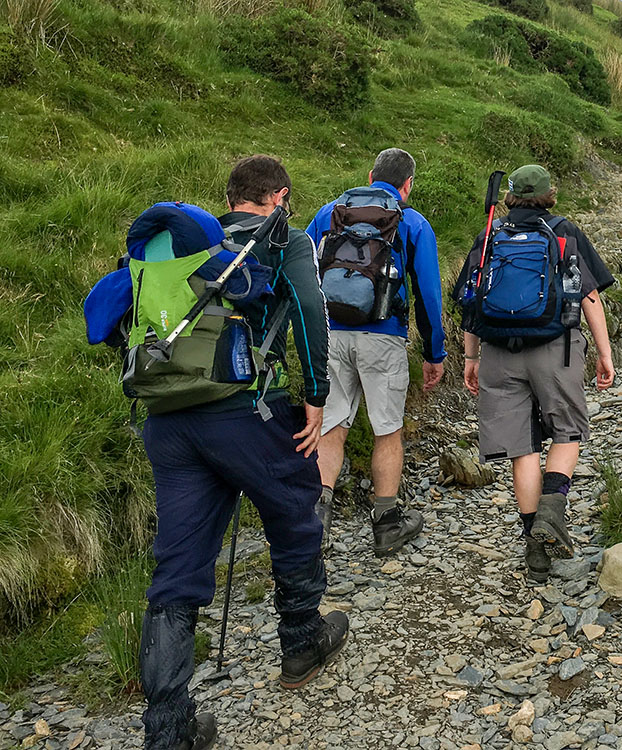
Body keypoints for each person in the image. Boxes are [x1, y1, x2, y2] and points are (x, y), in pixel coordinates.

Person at [139, 156, 348, 750]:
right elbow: (309, 313)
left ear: (230, 197)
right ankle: (302, 641)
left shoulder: (183, 248)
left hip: (168, 421)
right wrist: (314, 394)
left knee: (176, 568)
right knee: (295, 504)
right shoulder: (285, 240)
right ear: (279, 197)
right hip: (245, 412)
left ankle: (169, 727)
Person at [457, 164, 616, 582]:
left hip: (497, 352)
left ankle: (535, 548)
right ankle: (552, 511)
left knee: (522, 449)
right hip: (554, 350)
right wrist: (604, 352)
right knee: (568, 433)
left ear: (509, 196)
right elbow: (590, 296)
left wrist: (471, 358)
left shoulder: (490, 234)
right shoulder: (564, 231)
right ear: (550, 194)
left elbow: (470, 302)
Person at [306, 148, 446, 557]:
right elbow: (429, 296)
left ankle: (316, 523)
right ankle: (386, 525)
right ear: (407, 185)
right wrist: (434, 352)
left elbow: (303, 272)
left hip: (331, 334)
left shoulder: (328, 213)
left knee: (331, 425)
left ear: (370, 175)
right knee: (387, 429)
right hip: (383, 336)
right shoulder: (413, 222)